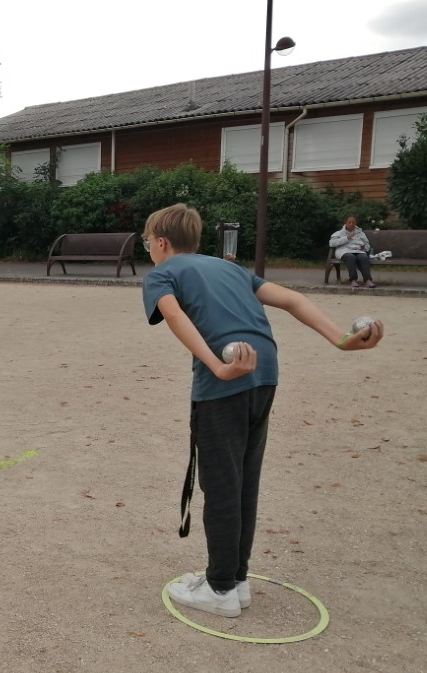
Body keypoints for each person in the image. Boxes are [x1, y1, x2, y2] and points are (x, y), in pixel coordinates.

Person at [142, 203, 384, 618]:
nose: (149, 249)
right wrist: (341, 339)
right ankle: (235, 580)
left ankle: (219, 590)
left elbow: (175, 315)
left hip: (229, 373)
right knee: (242, 481)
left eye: (148, 243)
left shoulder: (161, 273)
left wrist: (218, 367)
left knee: (220, 484)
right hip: (265, 370)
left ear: (160, 242)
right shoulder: (230, 269)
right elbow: (291, 299)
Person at [329, 215, 375, 288]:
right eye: (349, 222)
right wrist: (346, 237)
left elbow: (367, 245)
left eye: (353, 222)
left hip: (358, 251)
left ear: (355, 223)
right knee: (351, 257)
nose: (351, 224)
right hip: (344, 251)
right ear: (345, 223)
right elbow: (332, 243)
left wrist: (364, 247)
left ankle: (367, 280)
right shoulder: (339, 233)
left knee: (363, 257)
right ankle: (353, 280)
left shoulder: (360, 233)